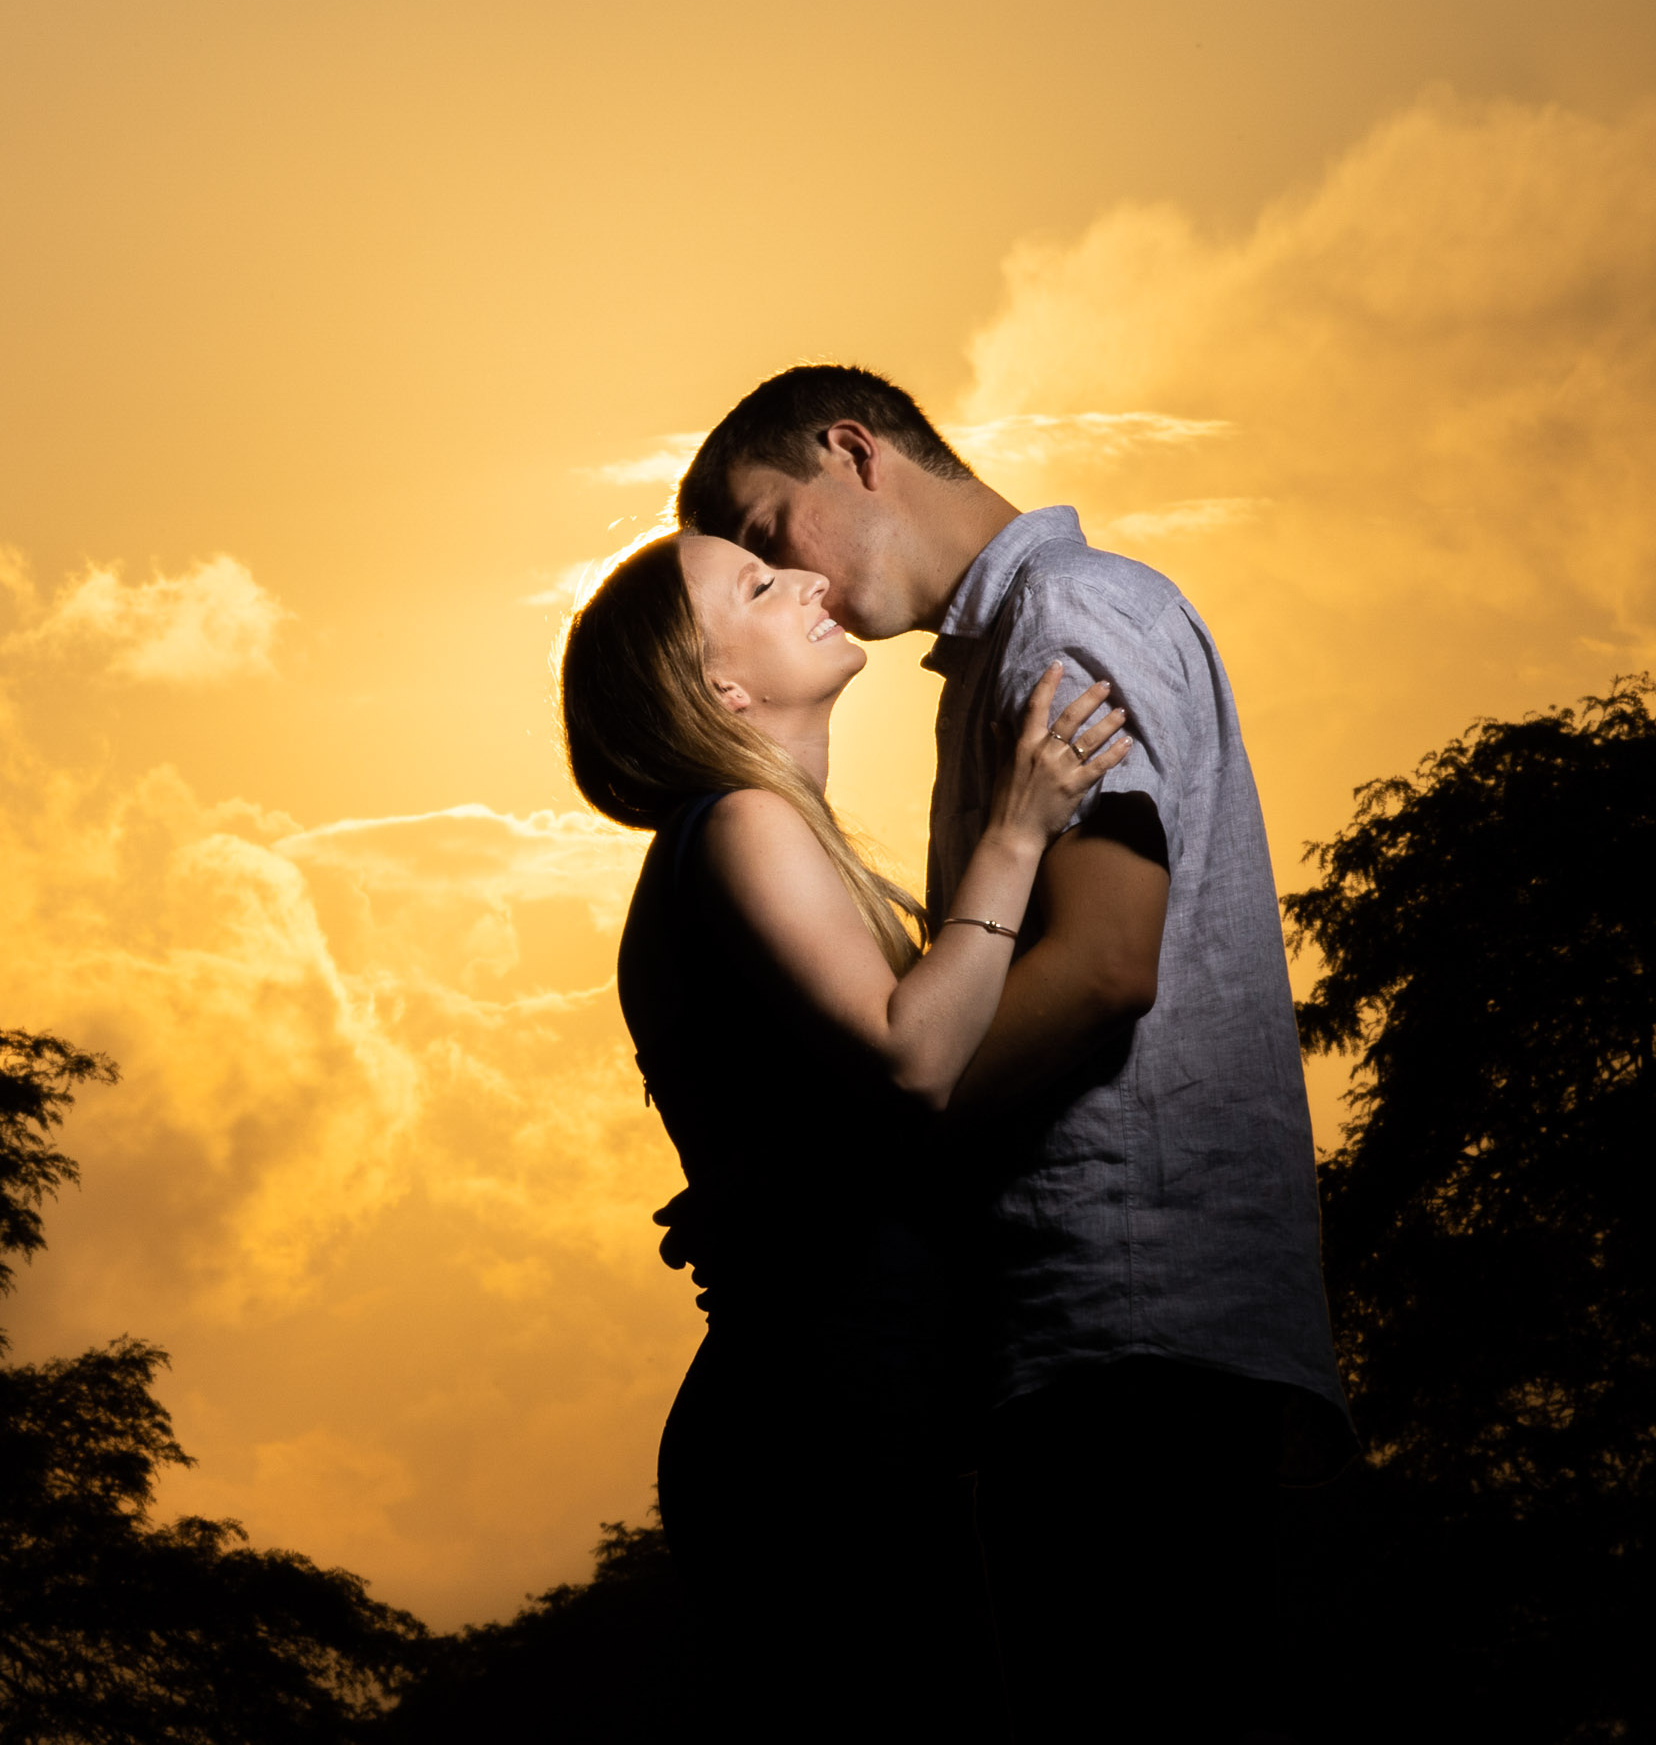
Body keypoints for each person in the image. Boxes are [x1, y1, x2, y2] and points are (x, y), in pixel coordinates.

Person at [674, 364, 1348, 1743]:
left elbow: (1102, 964)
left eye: (766, 529)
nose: (785, 577)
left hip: (1144, 1337)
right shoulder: (1008, 648)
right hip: (1105, 1348)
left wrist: (827, 1180)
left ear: (851, 449)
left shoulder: (1066, 615)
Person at [560, 527, 1133, 1739]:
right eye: (759, 585)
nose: (810, 580)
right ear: (720, 685)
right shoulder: (739, 823)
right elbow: (915, 1057)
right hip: (817, 1422)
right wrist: (1018, 830)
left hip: (841, 1405)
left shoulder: (765, 837)